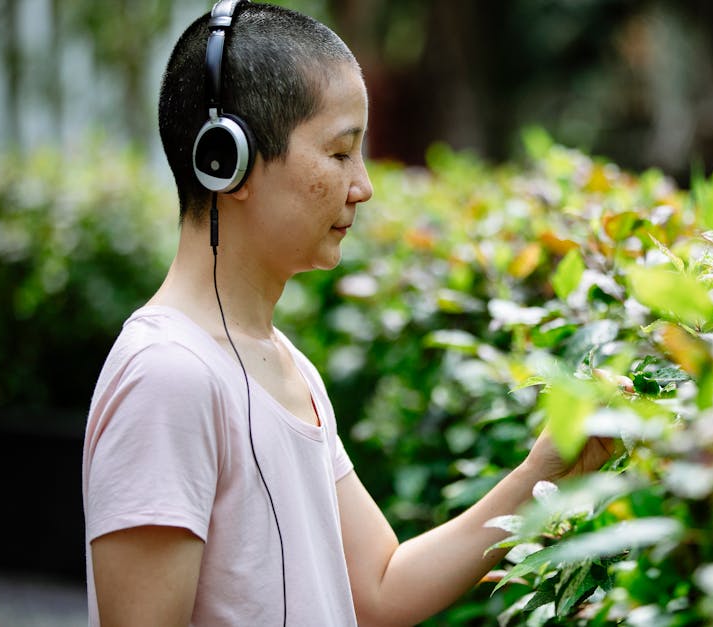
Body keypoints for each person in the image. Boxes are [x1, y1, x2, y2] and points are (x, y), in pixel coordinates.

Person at [81, 2, 614, 626]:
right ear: (229, 161)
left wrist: (541, 472)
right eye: (340, 154)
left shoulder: (287, 366)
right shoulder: (167, 379)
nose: (362, 185)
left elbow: (381, 588)